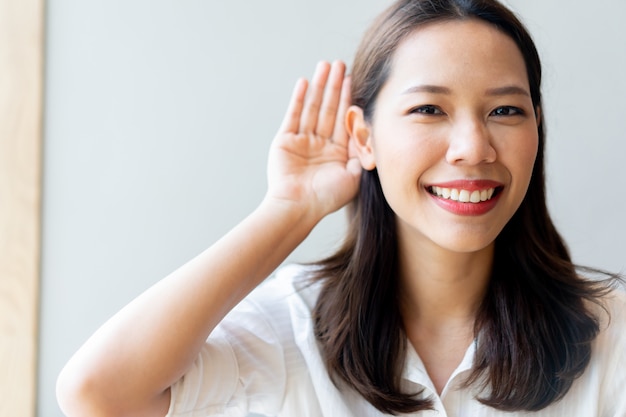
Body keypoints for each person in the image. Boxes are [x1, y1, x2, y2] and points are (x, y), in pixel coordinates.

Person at [56, 0, 626, 416]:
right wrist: (290, 209)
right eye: (429, 109)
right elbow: (98, 393)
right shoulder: (287, 331)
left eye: (505, 112)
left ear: (537, 128)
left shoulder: (611, 334)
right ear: (365, 135)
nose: (473, 148)